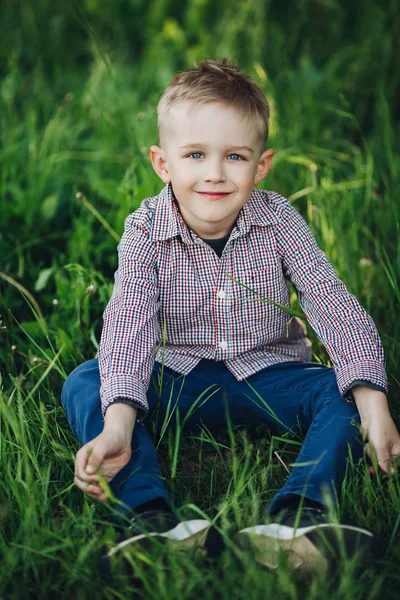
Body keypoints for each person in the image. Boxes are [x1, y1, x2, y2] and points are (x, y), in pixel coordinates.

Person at [61, 58, 400, 575]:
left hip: (272, 377)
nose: (215, 173)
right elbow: (128, 328)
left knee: (348, 389)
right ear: (162, 163)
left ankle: (295, 520)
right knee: (88, 380)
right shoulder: (145, 230)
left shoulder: (279, 221)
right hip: (181, 377)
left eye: (235, 157)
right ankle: (152, 520)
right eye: (195, 154)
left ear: (261, 166)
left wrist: (374, 401)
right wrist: (118, 423)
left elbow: (332, 304)